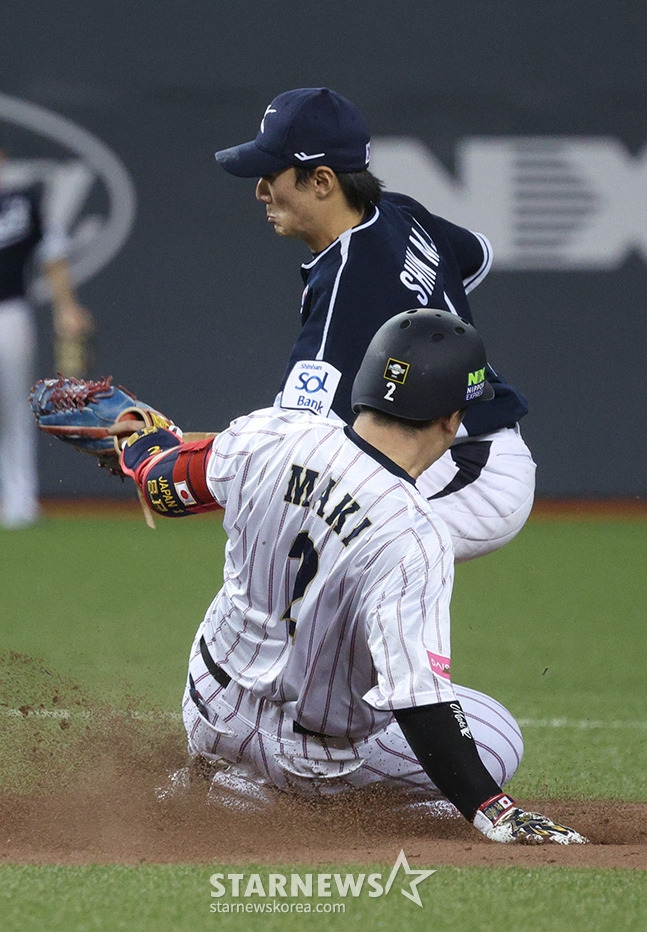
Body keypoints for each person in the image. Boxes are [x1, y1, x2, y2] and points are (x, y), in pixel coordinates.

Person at [117, 309, 586, 845]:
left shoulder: (273, 431)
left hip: (209, 710)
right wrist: (497, 813)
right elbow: (421, 702)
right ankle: (261, 803)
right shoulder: (414, 532)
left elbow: (165, 485)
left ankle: (219, 779)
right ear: (451, 420)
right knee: (499, 736)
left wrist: (139, 447)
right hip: (311, 759)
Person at [214, 87, 536, 563]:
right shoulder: (396, 212)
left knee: (298, 524)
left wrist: (169, 450)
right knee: (311, 534)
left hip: (469, 469)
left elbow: (287, 441)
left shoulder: (352, 279)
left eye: (269, 174)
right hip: (448, 449)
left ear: (321, 180)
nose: (260, 189)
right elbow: (473, 259)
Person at [0, 144, 94, 528]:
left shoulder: (21, 203)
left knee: (13, 408)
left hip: (8, 311)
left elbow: (52, 252)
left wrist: (66, 306)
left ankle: (20, 500)